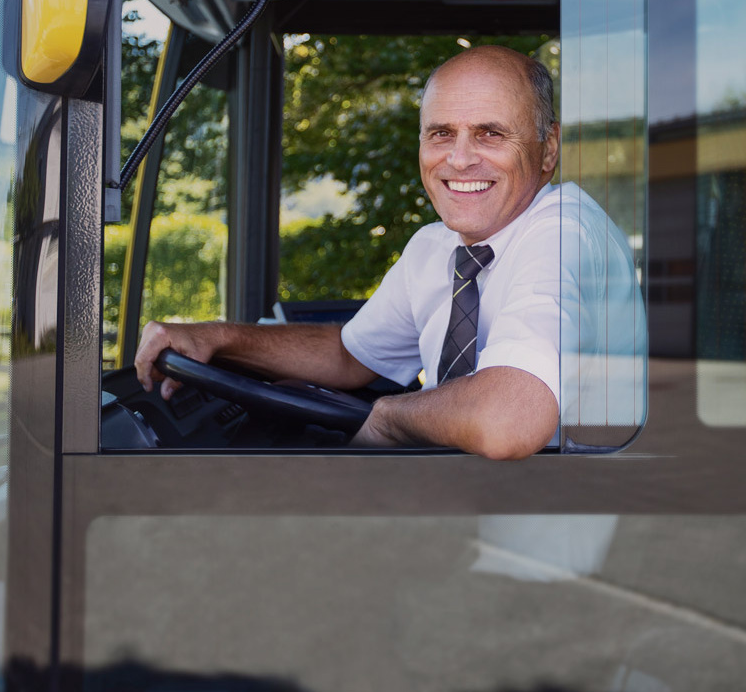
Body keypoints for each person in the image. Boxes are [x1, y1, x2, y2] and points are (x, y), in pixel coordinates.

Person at [135, 45, 642, 459]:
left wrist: (390, 419)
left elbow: (507, 421)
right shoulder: (435, 248)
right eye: (441, 133)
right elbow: (349, 356)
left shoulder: (565, 232)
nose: (459, 159)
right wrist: (218, 338)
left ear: (548, 149)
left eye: (490, 134)